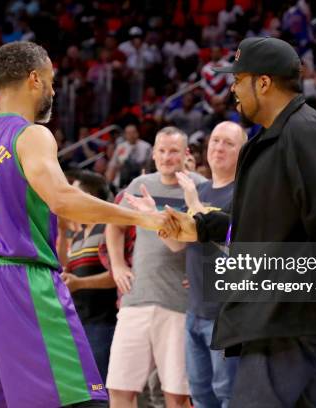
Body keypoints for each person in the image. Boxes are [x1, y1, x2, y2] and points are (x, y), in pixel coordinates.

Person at [0, 41, 167, 408]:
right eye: (51, 81)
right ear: (35, 79)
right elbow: (63, 199)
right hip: (22, 279)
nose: (52, 89)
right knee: (82, 399)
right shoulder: (31, 134)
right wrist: (143, 217)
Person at [161, 37, 316, 407]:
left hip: (285, 315)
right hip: (275, 316)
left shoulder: (307, 133)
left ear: (264, 82)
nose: (233, 89)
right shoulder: (272, 139)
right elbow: (257, 227)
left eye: (239, 80)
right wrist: (201, 226)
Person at [125, 121, 245, 408]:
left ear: (243, 152)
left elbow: (236, 243)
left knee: (229, 394)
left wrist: (194, 204)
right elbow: (179, 244)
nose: (219, 147)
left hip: (228, 314)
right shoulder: (201, 191)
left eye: (229, 143)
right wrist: (153, 218)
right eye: (215, 140)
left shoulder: (244, 193)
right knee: (201, 395)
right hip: (194, 311)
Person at [105, 126, 206, 408]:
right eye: (161, 150)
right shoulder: (139, 185)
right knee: (119, 388)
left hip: (179, 304)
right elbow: (114, 226)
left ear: (186, 153)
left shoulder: (199, 187)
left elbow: (204, 239)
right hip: (136, 298)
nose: (166, 156)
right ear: (153, 153)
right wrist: (117, 266)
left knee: (177, 395)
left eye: (173, 151)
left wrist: (202, 273)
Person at [60, 171, 118, 381]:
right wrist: (62, 230)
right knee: (85, 390)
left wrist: (80, 284)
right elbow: (66, 269)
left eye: (74, 192)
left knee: (101, 388)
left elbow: (118, 275)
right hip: (78, 322)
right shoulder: (77, 235)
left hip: (103, 323)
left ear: (90, 197)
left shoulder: (109, 229)